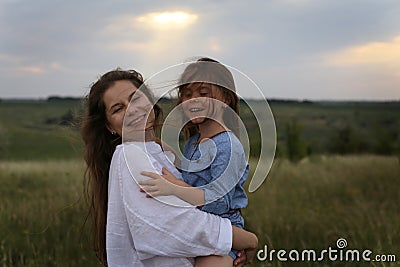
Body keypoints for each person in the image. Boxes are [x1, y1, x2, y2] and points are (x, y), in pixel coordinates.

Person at [81, 68, 258, 266]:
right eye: (118, 108)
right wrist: (245, 240)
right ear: (109, 126)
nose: (131, 109)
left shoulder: (161, 151)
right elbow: (174, 224)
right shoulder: (129, 155)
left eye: (136, 98)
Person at [139, 57, 250, 266]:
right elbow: (192, 175)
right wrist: (163, 148)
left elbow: (217, 204)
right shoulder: (192, 143)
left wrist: (173, 187)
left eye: (203, 93)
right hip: (197, 227)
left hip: (224, 230)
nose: (193, 100)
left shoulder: (228, 147)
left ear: (225, 98)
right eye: (187, 94)